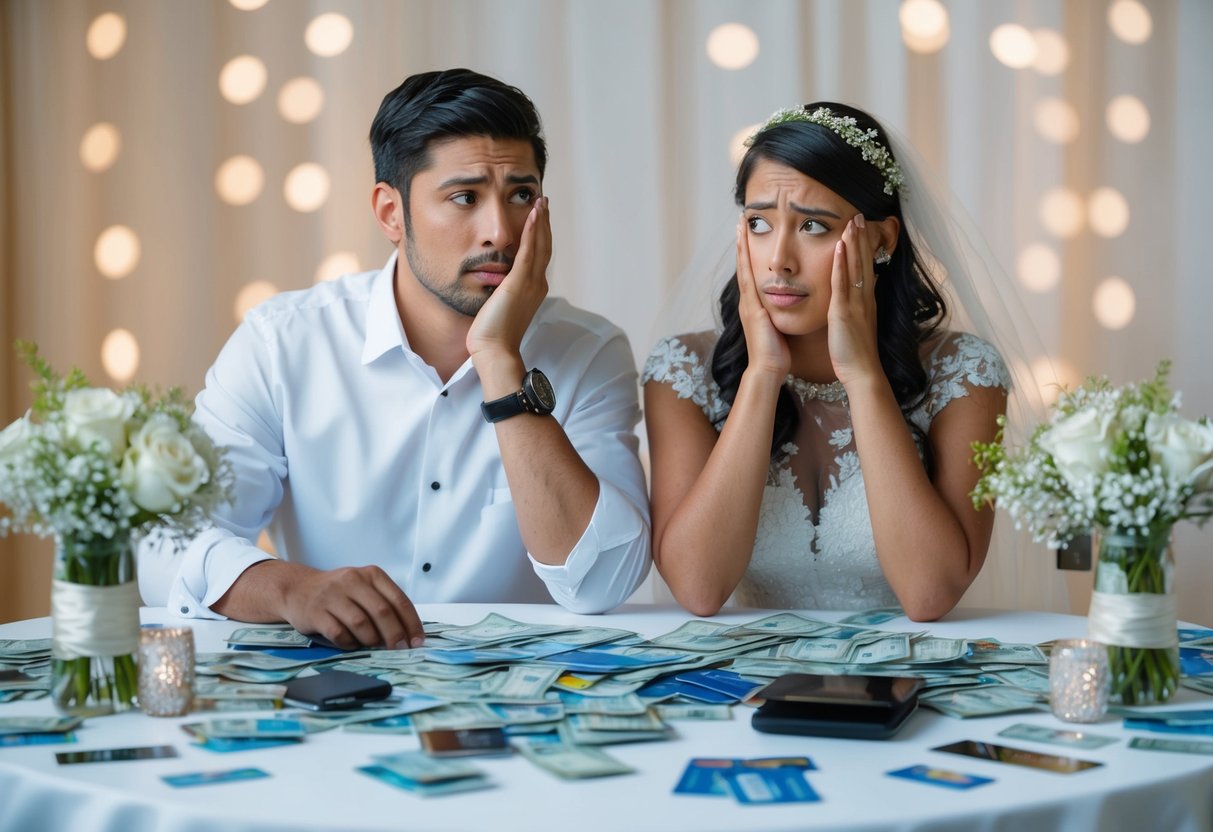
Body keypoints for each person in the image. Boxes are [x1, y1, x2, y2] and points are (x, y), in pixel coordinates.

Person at [139, 69, 651, 647]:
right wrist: (290, 589)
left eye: (521, 196)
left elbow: (603, 581)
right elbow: (165, 544)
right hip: (332, 691)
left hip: (515, 705)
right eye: (465, 197)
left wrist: (499, 359)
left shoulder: (588, 351)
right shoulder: (283, 343)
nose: (500, 232)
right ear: (390, 212)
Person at [642, 102, 1016, 622]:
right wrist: (762, 374)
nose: (778, 259)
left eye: (813, 227)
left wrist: (864, 377)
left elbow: (929, 594)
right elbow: (699, 588)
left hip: (903, 683)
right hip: (746, 686)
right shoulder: (682, 371)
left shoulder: (964, 373)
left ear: (881, 240)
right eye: (758, 223)